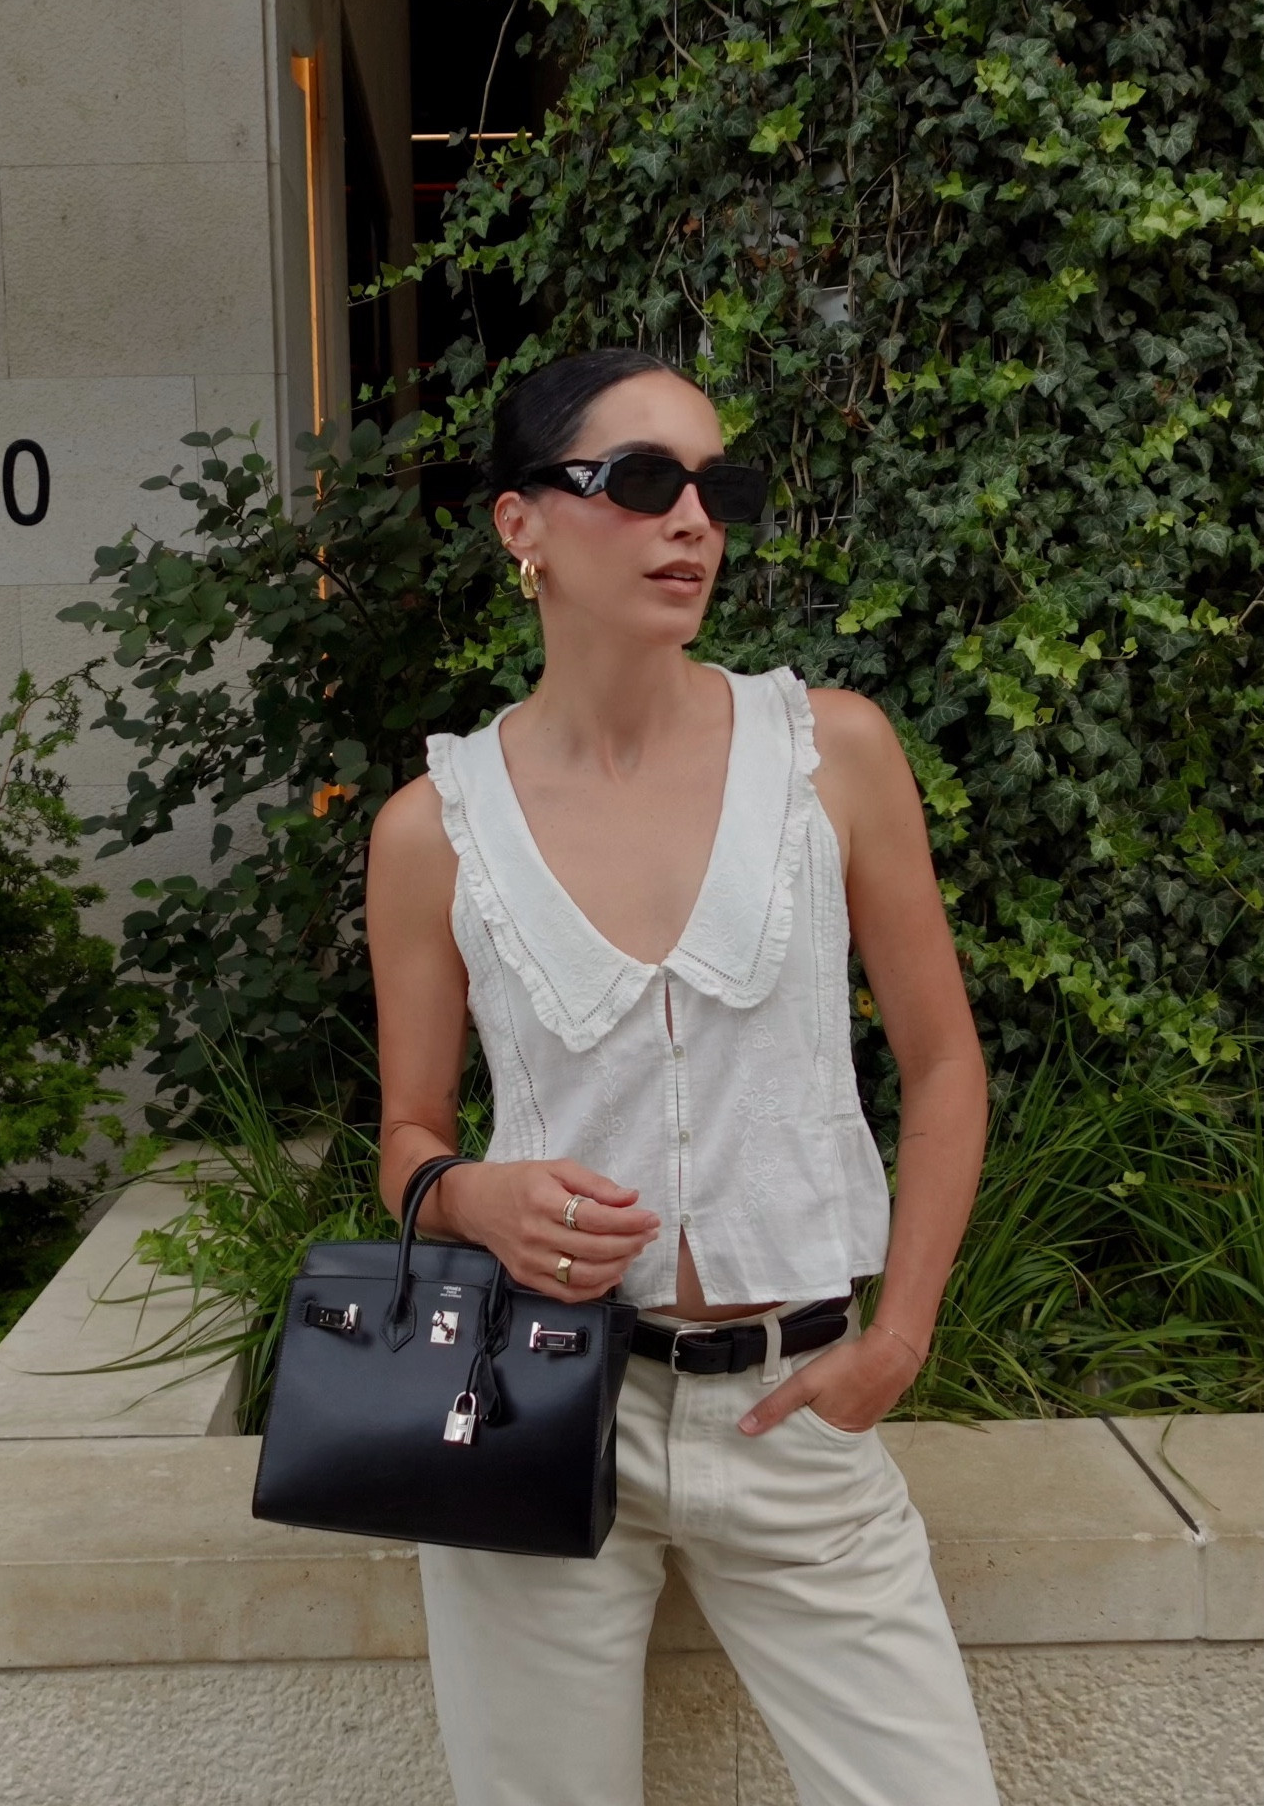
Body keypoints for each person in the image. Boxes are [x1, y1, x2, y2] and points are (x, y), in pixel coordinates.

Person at [364, 347, 1000, 1806]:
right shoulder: (428, 831)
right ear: (520, 523)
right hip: (541, 1409)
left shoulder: (828, 752)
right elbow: (404, 1137)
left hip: (793, 1405)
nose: (693, 521)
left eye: (718, 486)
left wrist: (900, 1333)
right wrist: (474, 1196)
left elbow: (943, 1058)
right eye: (642, 482)